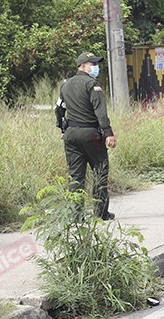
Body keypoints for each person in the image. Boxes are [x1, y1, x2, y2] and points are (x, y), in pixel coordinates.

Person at [56, 51, 117, 220]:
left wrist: (63, 128)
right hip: (91, 135)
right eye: (93, 64)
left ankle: (75, 215)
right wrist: (108, 133)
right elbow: (101, 112)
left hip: (71, 135)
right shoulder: (92, 85)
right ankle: (100, 213)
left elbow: (59, 109)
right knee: (100, 170)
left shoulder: (66, 85)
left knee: (76, 176)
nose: (96, 67)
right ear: (83, 66)